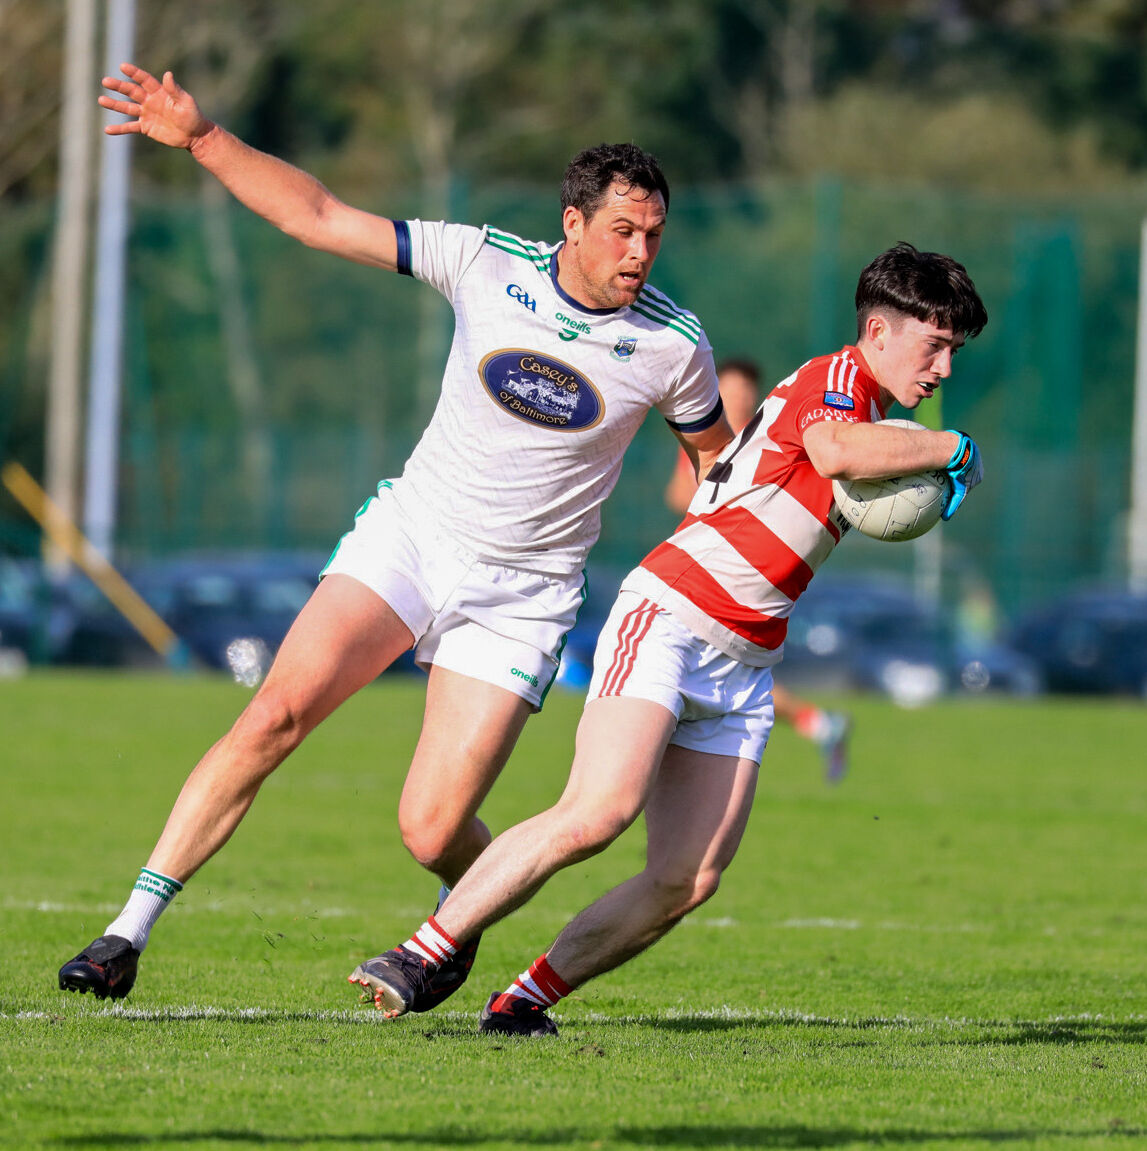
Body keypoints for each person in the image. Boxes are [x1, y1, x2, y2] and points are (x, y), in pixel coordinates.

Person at [57, 63, 733, 1002]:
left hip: (524, 594)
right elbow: (319, 215)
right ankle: (123, 934)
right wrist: (205, 139)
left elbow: (716, 468)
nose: (640, 252)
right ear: (572, 223)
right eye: (623, 230)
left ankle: (461, 905)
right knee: (273, 714)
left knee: (429, 827)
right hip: (412, 535)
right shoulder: (485, 259)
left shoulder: (674, 344)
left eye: (654, 235)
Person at [347, 241, 987, 1035]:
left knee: (687, 876)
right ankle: (421, 952)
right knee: (598, 809)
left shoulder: (873, 413)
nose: (943, 371)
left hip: (746, 660)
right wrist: (953, 447)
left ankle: (521, 1001)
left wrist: (922, 453)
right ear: (880, 329)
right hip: (672, 617)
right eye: (936, 347)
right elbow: (832, 450)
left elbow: (854, 458)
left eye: (954, 353)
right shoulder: (838, 381)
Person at [665, 357, 852, 782]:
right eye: (730, 392)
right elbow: (678, 496)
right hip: (699, 567)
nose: (739, 399)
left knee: (729, 673)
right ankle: (820, 724)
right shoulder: (705, 438)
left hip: (745, 577)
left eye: (745, 393)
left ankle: (819, 724)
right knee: (724, 674)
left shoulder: (770, 432)